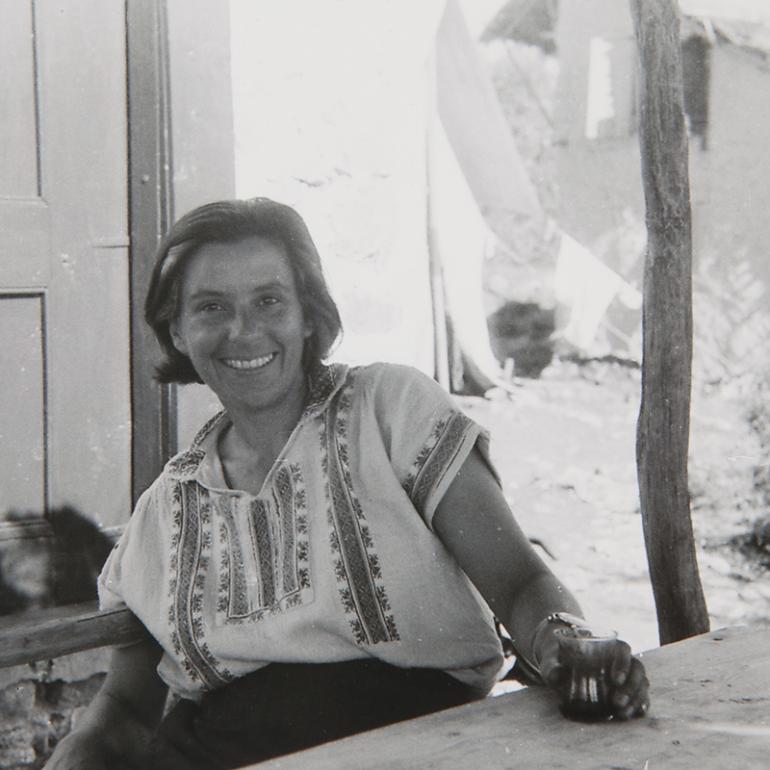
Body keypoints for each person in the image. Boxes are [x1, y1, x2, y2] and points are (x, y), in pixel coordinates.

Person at [45, 198, 648, 769]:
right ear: (176, 330)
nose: (243, 331)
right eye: (211, 307)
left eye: (269, 301)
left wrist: (564, 641)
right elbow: (126, 708)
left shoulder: (389, 412)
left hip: (407, 749)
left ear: (309, 315)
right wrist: (83, 748)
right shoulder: (167, 508)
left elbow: (519, 583)